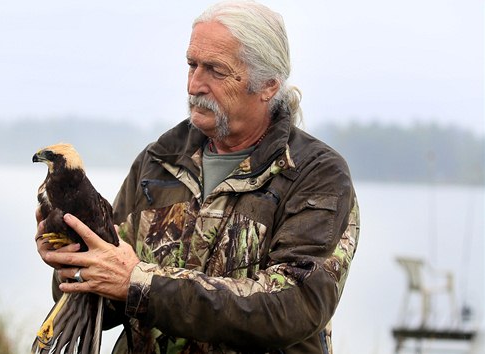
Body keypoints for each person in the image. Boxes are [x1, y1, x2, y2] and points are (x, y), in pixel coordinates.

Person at [36, 1, 360, 353]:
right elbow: (107, 295)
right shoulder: (159, 160)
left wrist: (139, 282)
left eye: (215, 70)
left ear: (267, 85)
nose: (194, 84)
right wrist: (73, 260)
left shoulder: (315, 175)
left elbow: (294, 306)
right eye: (192, 65)